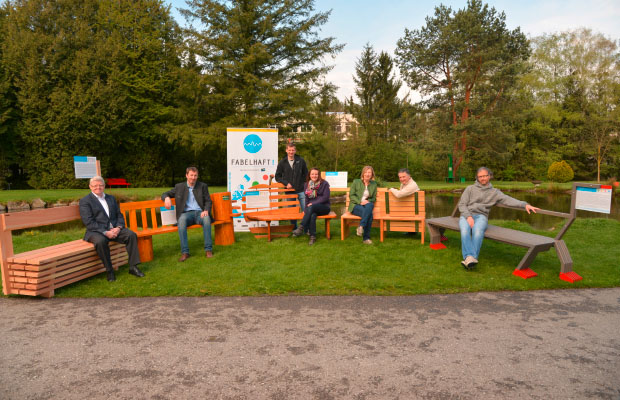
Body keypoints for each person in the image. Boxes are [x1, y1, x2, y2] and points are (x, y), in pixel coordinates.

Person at [458, 167, 539, 269]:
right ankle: (471, 258)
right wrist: (469, 216)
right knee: (465, 231)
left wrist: (525, 205)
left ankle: (469, 258)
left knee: (478, 231)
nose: (483, 178)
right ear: (477, 177)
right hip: (466, 215)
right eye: (480, 176)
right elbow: (462, 205)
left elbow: (508, 199)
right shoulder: (470, 188)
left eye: (485, 176)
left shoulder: (495, 192)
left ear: (489, 176)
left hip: (481, 217)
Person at [79, 176, 144, 282]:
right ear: (90, 187)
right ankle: (109, 271)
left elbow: (119, 215)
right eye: (95, 185)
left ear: (104, 186)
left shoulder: (111, 198)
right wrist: (105, 232)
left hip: (114, 229)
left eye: (100, 185)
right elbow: (89, 222)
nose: (98, 187)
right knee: (101, 241)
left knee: (131, 235)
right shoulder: (85, 201)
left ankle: (133, 267)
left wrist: (118, 228)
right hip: (96, 231)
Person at [162, 166, 213, 261]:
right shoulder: (179, 187)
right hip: (186, 214)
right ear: (186, 175)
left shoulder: (202, 186)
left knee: (207, 219)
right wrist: (166, 198)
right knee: (181, 221)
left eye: (195, 175)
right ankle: (185, 253)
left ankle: (208, 250)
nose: (193, 177)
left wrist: (206, 210)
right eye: (191, 175)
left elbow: (208, 201)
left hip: (200, 213)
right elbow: (165, 194)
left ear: (197, 176)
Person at [292, 167, 331, 245]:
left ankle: (301, 227)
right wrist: (306, 209)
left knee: (312, 207)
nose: (314, 175)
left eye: (316, 174)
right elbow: (306, 198)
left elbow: (325, 197)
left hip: (324, 207)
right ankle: (312, 237)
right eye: (312, 174)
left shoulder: (324, 183)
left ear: (319, 175)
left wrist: (313, 204)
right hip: (312, 208)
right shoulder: (307, 184)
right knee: (312, 215)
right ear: (309, 175)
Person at [275, 142, 308, 228]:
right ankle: (294, 229)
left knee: (306, 210)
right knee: (292, 211)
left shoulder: (301, 160)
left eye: (293, 150)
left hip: (301, 190)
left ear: (295, 150)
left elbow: (306, 174)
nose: (291, 152)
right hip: (289, 191)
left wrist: (303, 184)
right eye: (289, 150)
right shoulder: (282, 162)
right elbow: (277, 176)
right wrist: (286, 183)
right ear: (286, 150)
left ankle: (305, 228)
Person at [348, 165, 377, 244]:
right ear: (363, 173)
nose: (367, 174)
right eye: (366, 172)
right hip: (355, 205)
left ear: (372, 174)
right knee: (369, 215)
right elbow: (351, 195)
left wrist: (367, 201)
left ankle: (361, 226)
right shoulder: (356, 182)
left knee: (370, 205)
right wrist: (360, 201)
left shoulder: (374, 184)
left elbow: (373, 198)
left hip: (366, 205)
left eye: (369, 172)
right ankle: (366, 238)